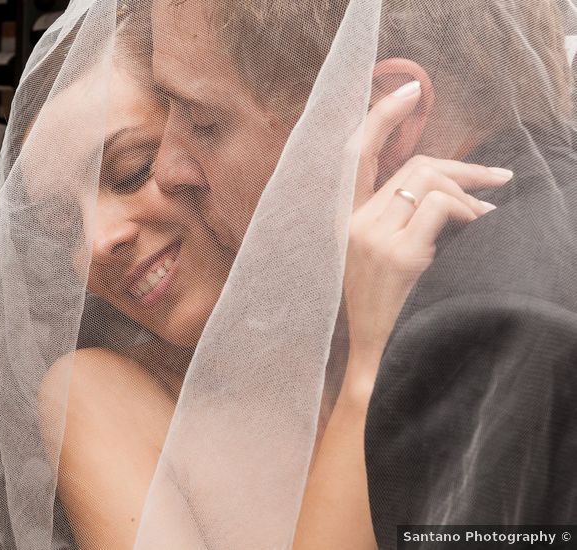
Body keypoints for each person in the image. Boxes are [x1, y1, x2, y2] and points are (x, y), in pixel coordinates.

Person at [146, 0, 577, 547]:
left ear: (384, 112)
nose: (167, 172)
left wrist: (364, 373)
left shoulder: (479, 327)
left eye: (204, 121)